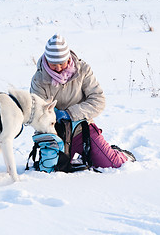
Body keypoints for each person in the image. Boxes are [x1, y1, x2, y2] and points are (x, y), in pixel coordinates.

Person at [30, 34, 135, 169]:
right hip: (56, 135)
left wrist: (70, 114)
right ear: (46, 61)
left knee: (113, 163)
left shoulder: (83, 70)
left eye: (62, 63)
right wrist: (52, 115)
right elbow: (36, 113)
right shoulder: (39, 79)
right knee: (55, 168)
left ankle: (120, 154)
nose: (58, 68)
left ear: (68, 58)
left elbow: (98, 100)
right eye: (53, 65)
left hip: (82, 129)